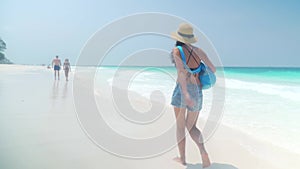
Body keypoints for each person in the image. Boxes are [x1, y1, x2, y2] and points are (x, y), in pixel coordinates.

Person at [170, 23, 216, 168]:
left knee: (180, 127)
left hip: (182, 91)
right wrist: (198, 72)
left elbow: (181, 73)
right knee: (192, 127)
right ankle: (204, 153)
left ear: (179, 37)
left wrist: (185, 93)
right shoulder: (199, 51)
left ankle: (183, 159)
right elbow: (213, 69)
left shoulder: (177, 51)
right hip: (197, 90)